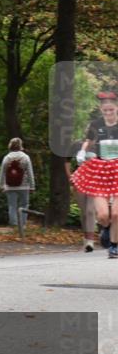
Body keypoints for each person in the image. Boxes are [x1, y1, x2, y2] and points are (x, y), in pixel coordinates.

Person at [70, 91, 118, 259]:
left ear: (116, 108)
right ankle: (106, 227)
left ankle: (113, 246)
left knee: (117, 213)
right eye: (105, 111)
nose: (108, 113)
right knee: (104, 215)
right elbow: (88, 141)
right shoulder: (96, 124)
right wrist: (82, 152)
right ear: (101, 109)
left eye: (111, 110)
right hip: (101, 170)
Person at [0, 138, 34, 230]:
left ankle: (14, 225)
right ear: (20, 145)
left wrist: (2, 185)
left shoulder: (7, 157)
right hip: (24, 186)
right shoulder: (25, 157)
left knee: (12, 205)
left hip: (10, 186)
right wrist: (32, 186)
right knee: (24, 205)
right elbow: (30, 172)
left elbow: (2, 172)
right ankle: (22, 225)